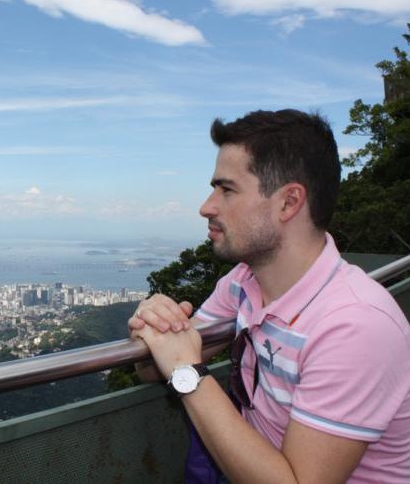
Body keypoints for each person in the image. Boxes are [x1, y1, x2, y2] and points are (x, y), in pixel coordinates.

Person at [128, 110, 410, 482]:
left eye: (227, 189)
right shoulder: (245, 282)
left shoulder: (356, 326)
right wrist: (155, 325)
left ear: (289, 203)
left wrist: (187, 371)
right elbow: (153, 369)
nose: (206, 207)